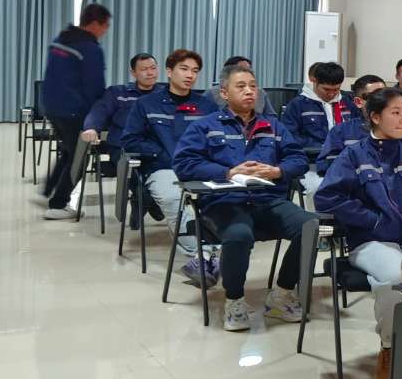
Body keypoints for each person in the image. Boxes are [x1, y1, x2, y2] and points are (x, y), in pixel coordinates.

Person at [315, 87, 402, 379]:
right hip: (371, 241)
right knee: (399, 278)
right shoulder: (354, 154)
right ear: (375, 117)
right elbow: (327, 198)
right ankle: (392, 350)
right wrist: (371, 220)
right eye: (395, 113)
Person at [173, 64, 316, 332]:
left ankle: (282, 294)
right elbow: (184, 164)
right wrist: (228, 172)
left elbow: (297, 158)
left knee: (311, 226)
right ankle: (234, 299)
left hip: (268, 200)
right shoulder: (205, 126)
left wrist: (278, 171)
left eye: (253, 86)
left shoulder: (273, 126)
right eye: (241, 86)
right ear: (224, 93)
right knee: (239, 235)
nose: (250, 91)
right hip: (224, 202)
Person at [121, 49, 221, 279]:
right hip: (163, 168)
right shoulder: (147, 104)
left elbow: (217, 138)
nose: (190, 75)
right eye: (184, 69)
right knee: (174, 199)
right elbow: (130, 139)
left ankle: (206, 256)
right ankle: (201, 255)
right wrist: (161, 152)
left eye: (195, 71)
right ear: (169, 71)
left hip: (199, 168)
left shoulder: (207, 106)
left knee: (221, 198)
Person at [41, 3, 110, 219]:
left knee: (69, 151)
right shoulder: (89, 49)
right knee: (79, 159)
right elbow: (94, 86)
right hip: (73, 111)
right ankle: (58, 204)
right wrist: (100, 113)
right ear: (95, 24)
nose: (106, 30)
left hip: (51, 107)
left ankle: (48, 189)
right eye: (105, 26)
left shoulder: (60, 40)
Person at [81, 52, 164, 225]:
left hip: (154, 147)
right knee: (131, 167)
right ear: (133, 72)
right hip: (122, 146)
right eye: (144, 69)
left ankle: (143, 199)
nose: (150, 73)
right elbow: (99, 111)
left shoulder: (164, 94)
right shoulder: (118, 93)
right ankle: (145, 198)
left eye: (153, 68)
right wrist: (91, 127)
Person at [281, 62, 357, 204]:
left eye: (336, 89)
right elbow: (290, 138)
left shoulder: (347, 104)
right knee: (319, 188)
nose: (331, 94)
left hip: (345, 162)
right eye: (326, 89)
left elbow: (357, 131)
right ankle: (316, 219)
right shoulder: (298, 105)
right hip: (312, 164)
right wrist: (324, 148)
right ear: (315, 82)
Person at [315, 74, 385, 176]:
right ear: (358, 102)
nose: (382, 101)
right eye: (374, 97)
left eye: (386, 96)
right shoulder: (341, 131)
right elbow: (325, 166)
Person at [209, 56, 276, 115]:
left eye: (249, 69)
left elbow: (271, 116)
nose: (246, 72)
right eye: (242, 69)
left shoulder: (260, 92)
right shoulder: (212, 93)